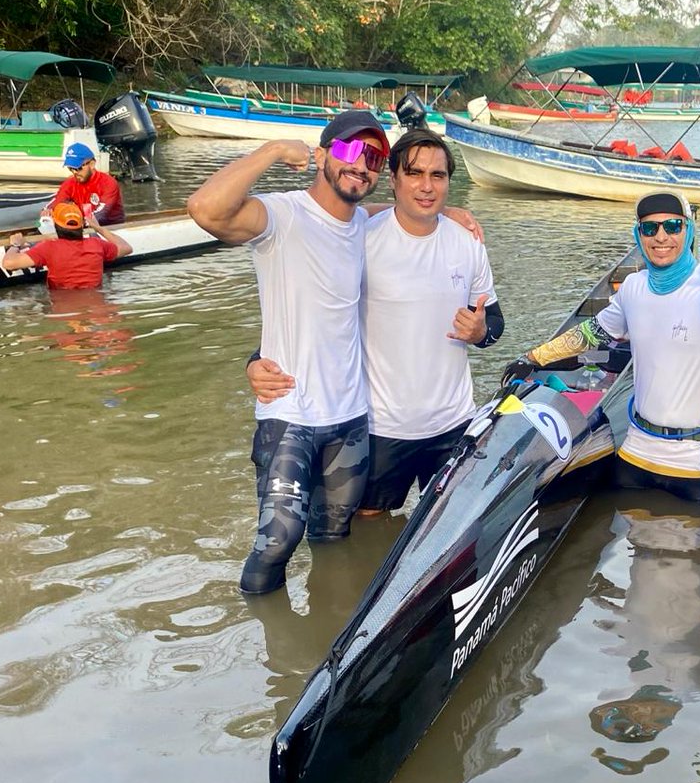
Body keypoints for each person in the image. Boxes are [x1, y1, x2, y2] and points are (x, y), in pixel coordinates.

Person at [186, 110, 393, 595]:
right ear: (322, 155)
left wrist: (454, 214)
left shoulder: (364, 223)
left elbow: (404, 213)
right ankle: (272, 661)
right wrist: (273, 151)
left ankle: (327, 641)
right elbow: (205, 209)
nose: (361, 165)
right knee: (277, 539)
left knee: (334, 534)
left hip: (350, 418)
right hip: (290, 414)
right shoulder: (282, 214)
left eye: (374, 157)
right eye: (348, 150)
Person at [247, 128, 503, 518]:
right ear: (394, 178)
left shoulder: (467, 242)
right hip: (380, 425)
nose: (427, 186)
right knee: (366, 532)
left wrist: (481, 332)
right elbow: (315, 315)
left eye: (438, 176)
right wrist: (255, 360)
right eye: (415, 173)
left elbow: (496, 323)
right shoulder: (359, 238)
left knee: (448, 526)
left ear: (450, 181)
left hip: (453, 422)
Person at [507, 191, 700, 502]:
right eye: (649, 229)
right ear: (638, 235)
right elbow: (593, 333)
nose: (661, 237)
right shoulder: (633, 287)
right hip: (636, 454)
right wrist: (533, 357)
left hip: (699, 465)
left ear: (688, 231)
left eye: (672, 227)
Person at [2, 200, 132, 290]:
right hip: (95, 299)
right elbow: (126, 248)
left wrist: (15, 244)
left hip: (62, 303)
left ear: (56, 225)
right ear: (81, 225)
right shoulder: (97, 245)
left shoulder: (48, 248)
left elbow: (9, 263)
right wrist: (99, 228)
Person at [49, 142, 126, 225]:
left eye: (78, 168)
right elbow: (57, 202)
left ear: (92, 164)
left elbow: (102, 213)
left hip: (110, 226)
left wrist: (80, 224)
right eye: (71, 168)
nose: (74, 172)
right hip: (84, 224)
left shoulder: (108, 183)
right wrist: (48, 212)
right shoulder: (69, 183)